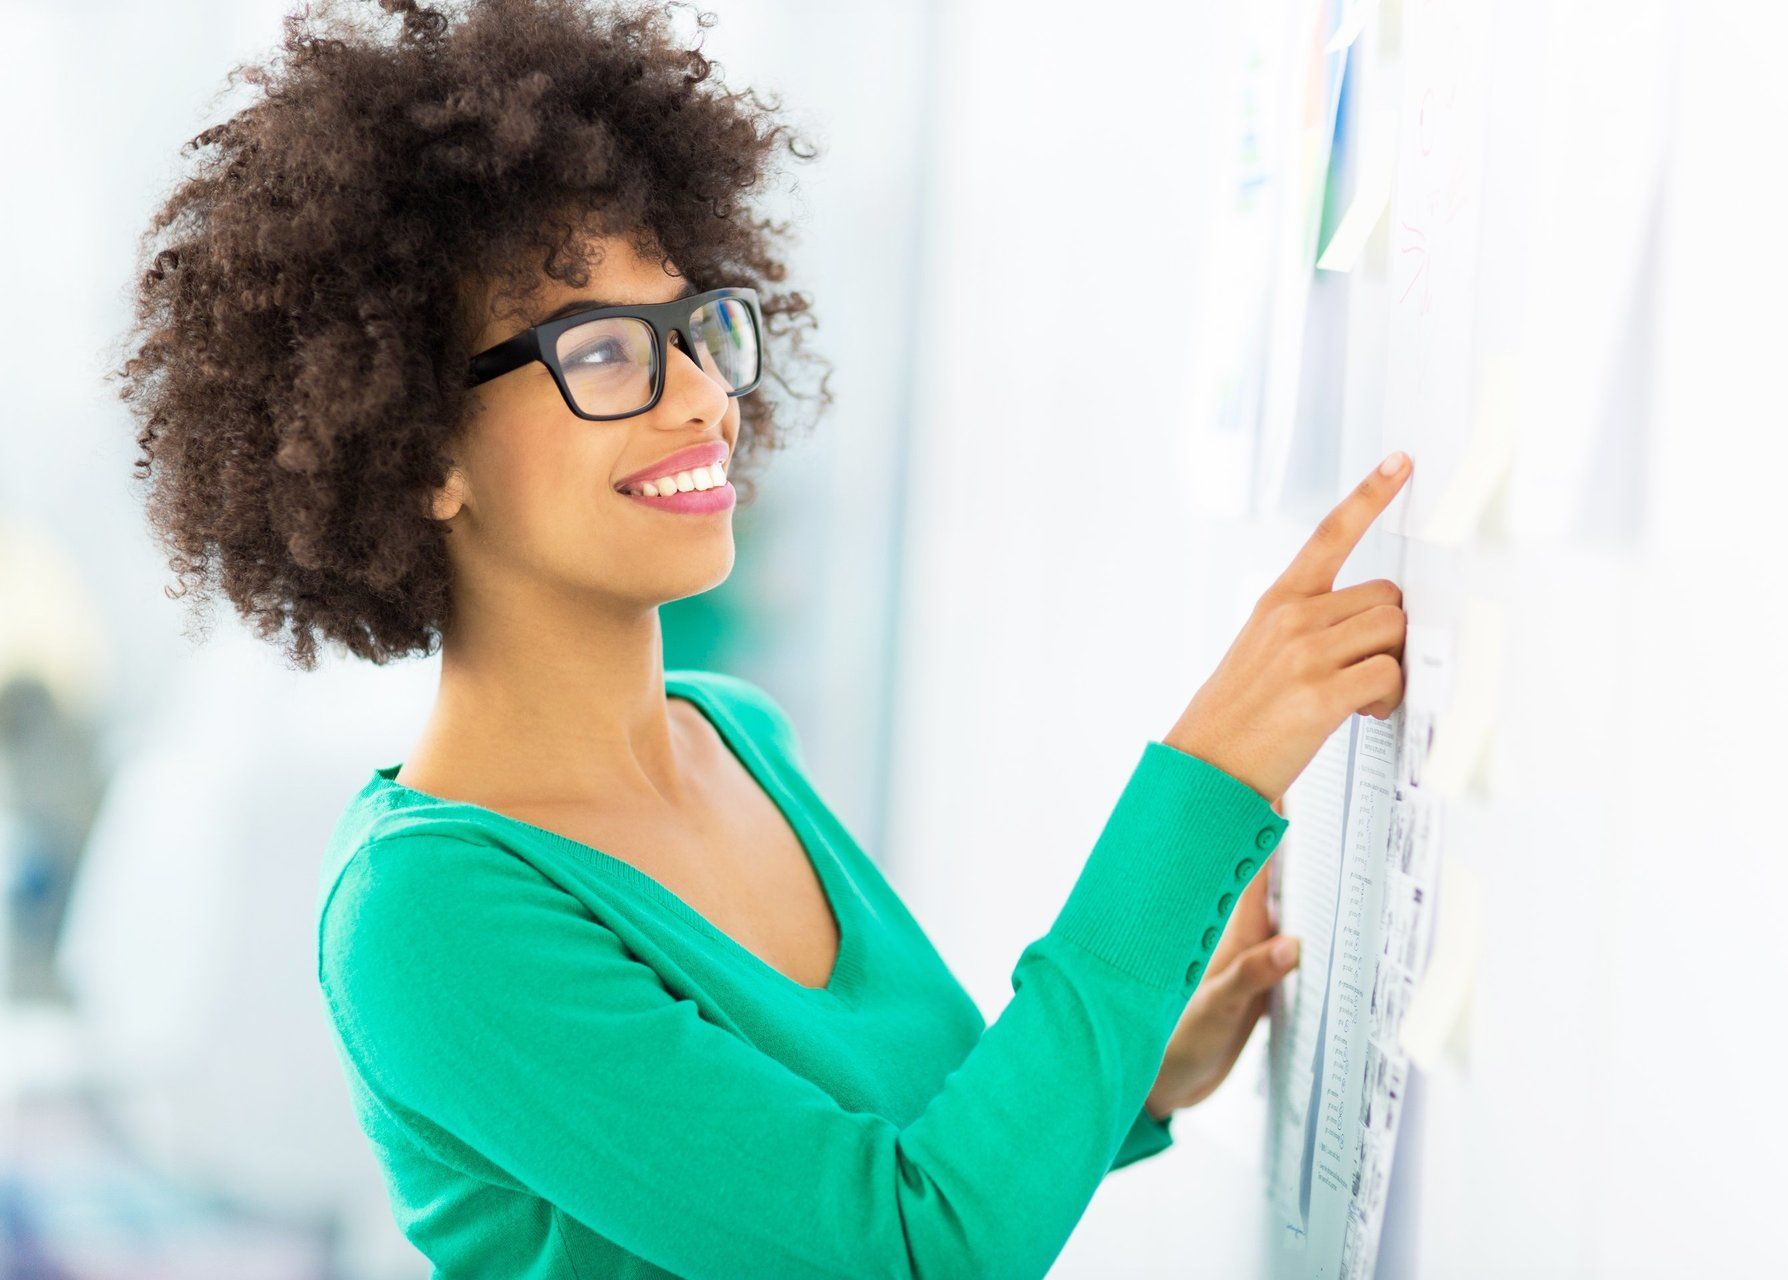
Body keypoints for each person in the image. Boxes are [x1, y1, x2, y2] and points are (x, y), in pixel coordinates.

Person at [109, 0, 1413, 1274]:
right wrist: (1210, 777)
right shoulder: (425, 920)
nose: (701, 398)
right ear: (415, 448)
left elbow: (889, 1156)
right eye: (602, 351)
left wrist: (1141, 1076)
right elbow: (913, 1250)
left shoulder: (736, 734)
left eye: (695, 329)